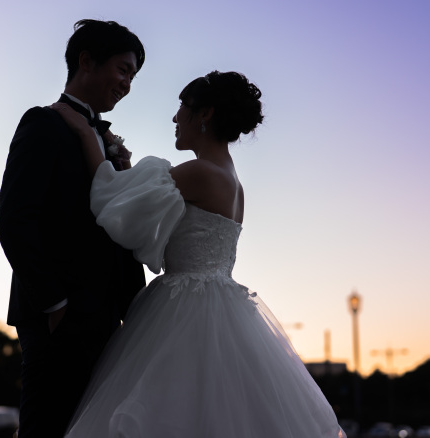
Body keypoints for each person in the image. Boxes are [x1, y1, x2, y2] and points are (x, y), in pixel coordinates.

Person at [52, 71, 346, 437]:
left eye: (181, 109)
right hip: (218, 302)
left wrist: (85, 134)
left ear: (204, 114)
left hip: (184, 309)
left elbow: (112, 199)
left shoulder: (200, 173)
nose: (175, 119)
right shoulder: (230, 179)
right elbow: (147, 205)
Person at [0, 19, 147, 437]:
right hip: (59, 319)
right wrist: (55, 304)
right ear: (86, 60)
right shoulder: (43, 124)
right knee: (49, 427)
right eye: (123, 70)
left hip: (105, 318)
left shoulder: (106, 141)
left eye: (132, 76)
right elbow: (14, 219)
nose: (127, 84)